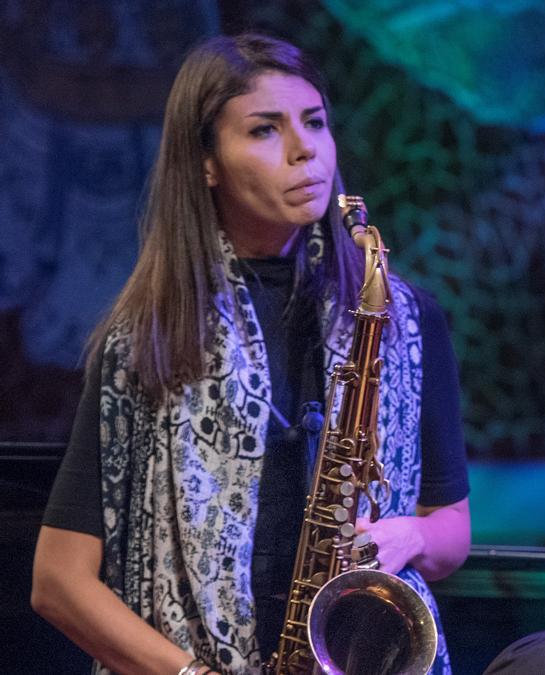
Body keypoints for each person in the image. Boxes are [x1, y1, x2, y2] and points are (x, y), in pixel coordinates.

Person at [30, 34, 470, 674]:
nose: (305, 149)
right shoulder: (144, 338)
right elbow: (58, 581)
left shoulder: (403, 317)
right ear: (206, 161)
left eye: (315, 123)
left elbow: (451, 530)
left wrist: (412, 536)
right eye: (265, 130)